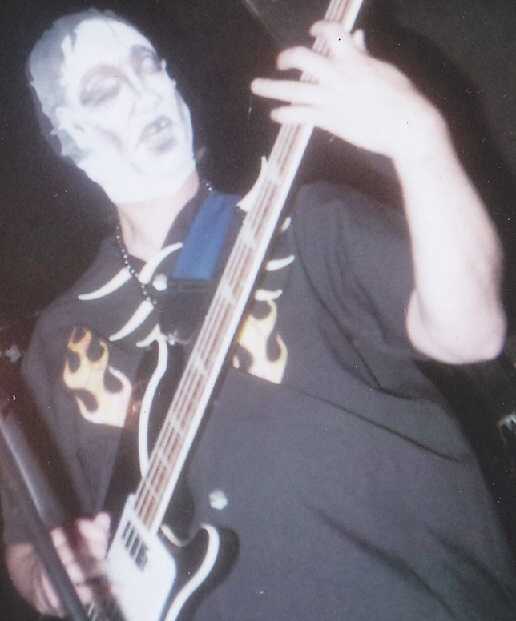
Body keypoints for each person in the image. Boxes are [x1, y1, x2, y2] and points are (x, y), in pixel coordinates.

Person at [2, 7, 515, 620]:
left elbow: (471, 333)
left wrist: (420, 140)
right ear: (67, 140)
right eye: (104, 91)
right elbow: (25, 541)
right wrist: (44, 575)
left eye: (148, 66)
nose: (144, 93)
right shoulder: (63, 337)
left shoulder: (307, 222)